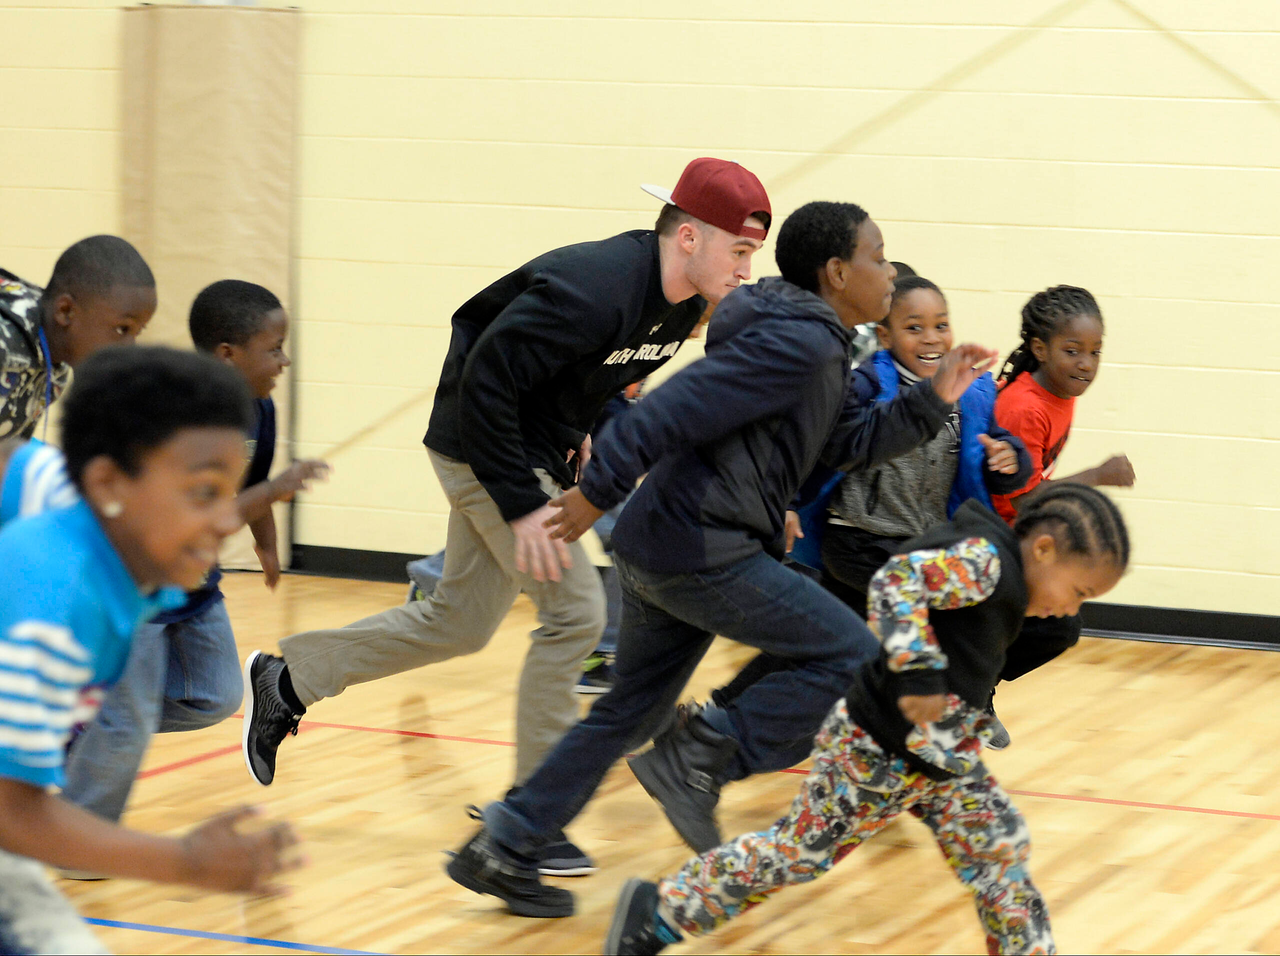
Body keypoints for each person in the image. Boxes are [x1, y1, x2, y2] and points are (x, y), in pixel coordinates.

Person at [446, 200, 1000, 917]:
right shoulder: (800, 342)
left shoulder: (816, 341)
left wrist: (933, 398)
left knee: (628, 713)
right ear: (837, 272)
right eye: (877, 255)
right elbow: (670, 408)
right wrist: (596, 490)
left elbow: (846, 442)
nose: (889, 270)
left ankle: (505, 844)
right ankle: (703, 752)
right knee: (854, 655)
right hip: (701, 544)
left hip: (669, 539)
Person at [241, 158, 772, 875]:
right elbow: (485, 378)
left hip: (530, 446)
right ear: (688, 237)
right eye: (739, 250)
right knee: (577, 612)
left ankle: (288, 679)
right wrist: (520, 504)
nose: (745, 269)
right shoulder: (595, 287)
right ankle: (532, 817)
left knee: (459, 621)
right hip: (479, 443)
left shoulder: (681, 309)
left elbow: (594, 375)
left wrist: (580, 426)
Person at [603, 484, 1131, 956]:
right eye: (1080, 593)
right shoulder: (985, 564)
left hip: (943, 755)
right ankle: (661, 910)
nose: (1071, 610)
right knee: (798, 853)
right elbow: (897, 581)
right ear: (1044, 550)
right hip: (876, 752)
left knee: (998, 852)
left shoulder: (1007, 568)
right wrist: (919, 673)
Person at [0, 346, 302, 955]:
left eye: (230, 493)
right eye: (203, 493)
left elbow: (12, 458)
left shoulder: (89, 513)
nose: (227, 521)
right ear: (109, 485)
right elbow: (13, 816)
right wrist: (185, 861)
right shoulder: (57, 609)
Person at [57, 281, 327, 845]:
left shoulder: (260, 409)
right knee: (127, 722)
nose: (284, 360)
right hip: (132, 588)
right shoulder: (178, 417)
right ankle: (79, 837)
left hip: (195, 587)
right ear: (228, 354)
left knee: (214, 697)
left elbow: (250, 484)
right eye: (274, 348)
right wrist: (276, 491)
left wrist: (267, 542)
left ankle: (76, 721)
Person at [985, 285, 1137, 743]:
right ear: (1040, 349)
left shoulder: (1059, 394)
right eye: (1073, 351)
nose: (1086, 363)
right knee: (1056, 625)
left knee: (1059, 625)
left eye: (1095, 352)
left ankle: (972, 688)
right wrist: (1097, 475)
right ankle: (967, 690)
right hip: (986, 537)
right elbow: (1025, 499)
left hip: (1014, 535)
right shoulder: (1025, 406)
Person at [0, 235, 156, 440]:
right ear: (65, 311)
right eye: (122, 329)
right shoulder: (5, 339)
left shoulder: (57, 371)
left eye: (138, 332)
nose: (130, 348)